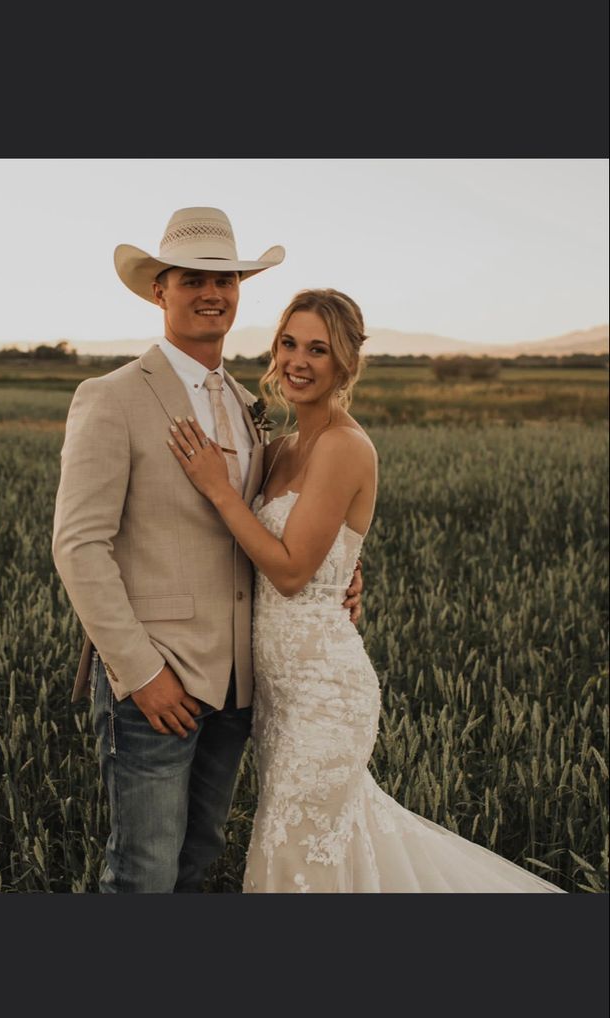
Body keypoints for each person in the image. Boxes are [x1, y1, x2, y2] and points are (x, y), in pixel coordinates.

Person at [167, 286, 565, 893]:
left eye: (318, 349)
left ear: (345, 363)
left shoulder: (345, 447)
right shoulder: (279, 449)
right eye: (289, 343)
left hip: (326, 697)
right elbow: (286, 553)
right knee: (324, 851)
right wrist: (349, 574)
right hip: (277, 699)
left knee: (299, 858)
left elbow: (293, 571)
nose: (298, 360)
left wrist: (219, 488)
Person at [52, 208, 363, 893]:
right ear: (159, 291)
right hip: (156, 684)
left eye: (225, 279)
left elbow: (268, 529)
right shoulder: (112, 398)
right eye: (192, 280)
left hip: (238, 687)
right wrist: (139, 673)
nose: (211, 293)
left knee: (198, 863)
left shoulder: (246, 405)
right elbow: (79, 547)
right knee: (144, 871)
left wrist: (338, 573)